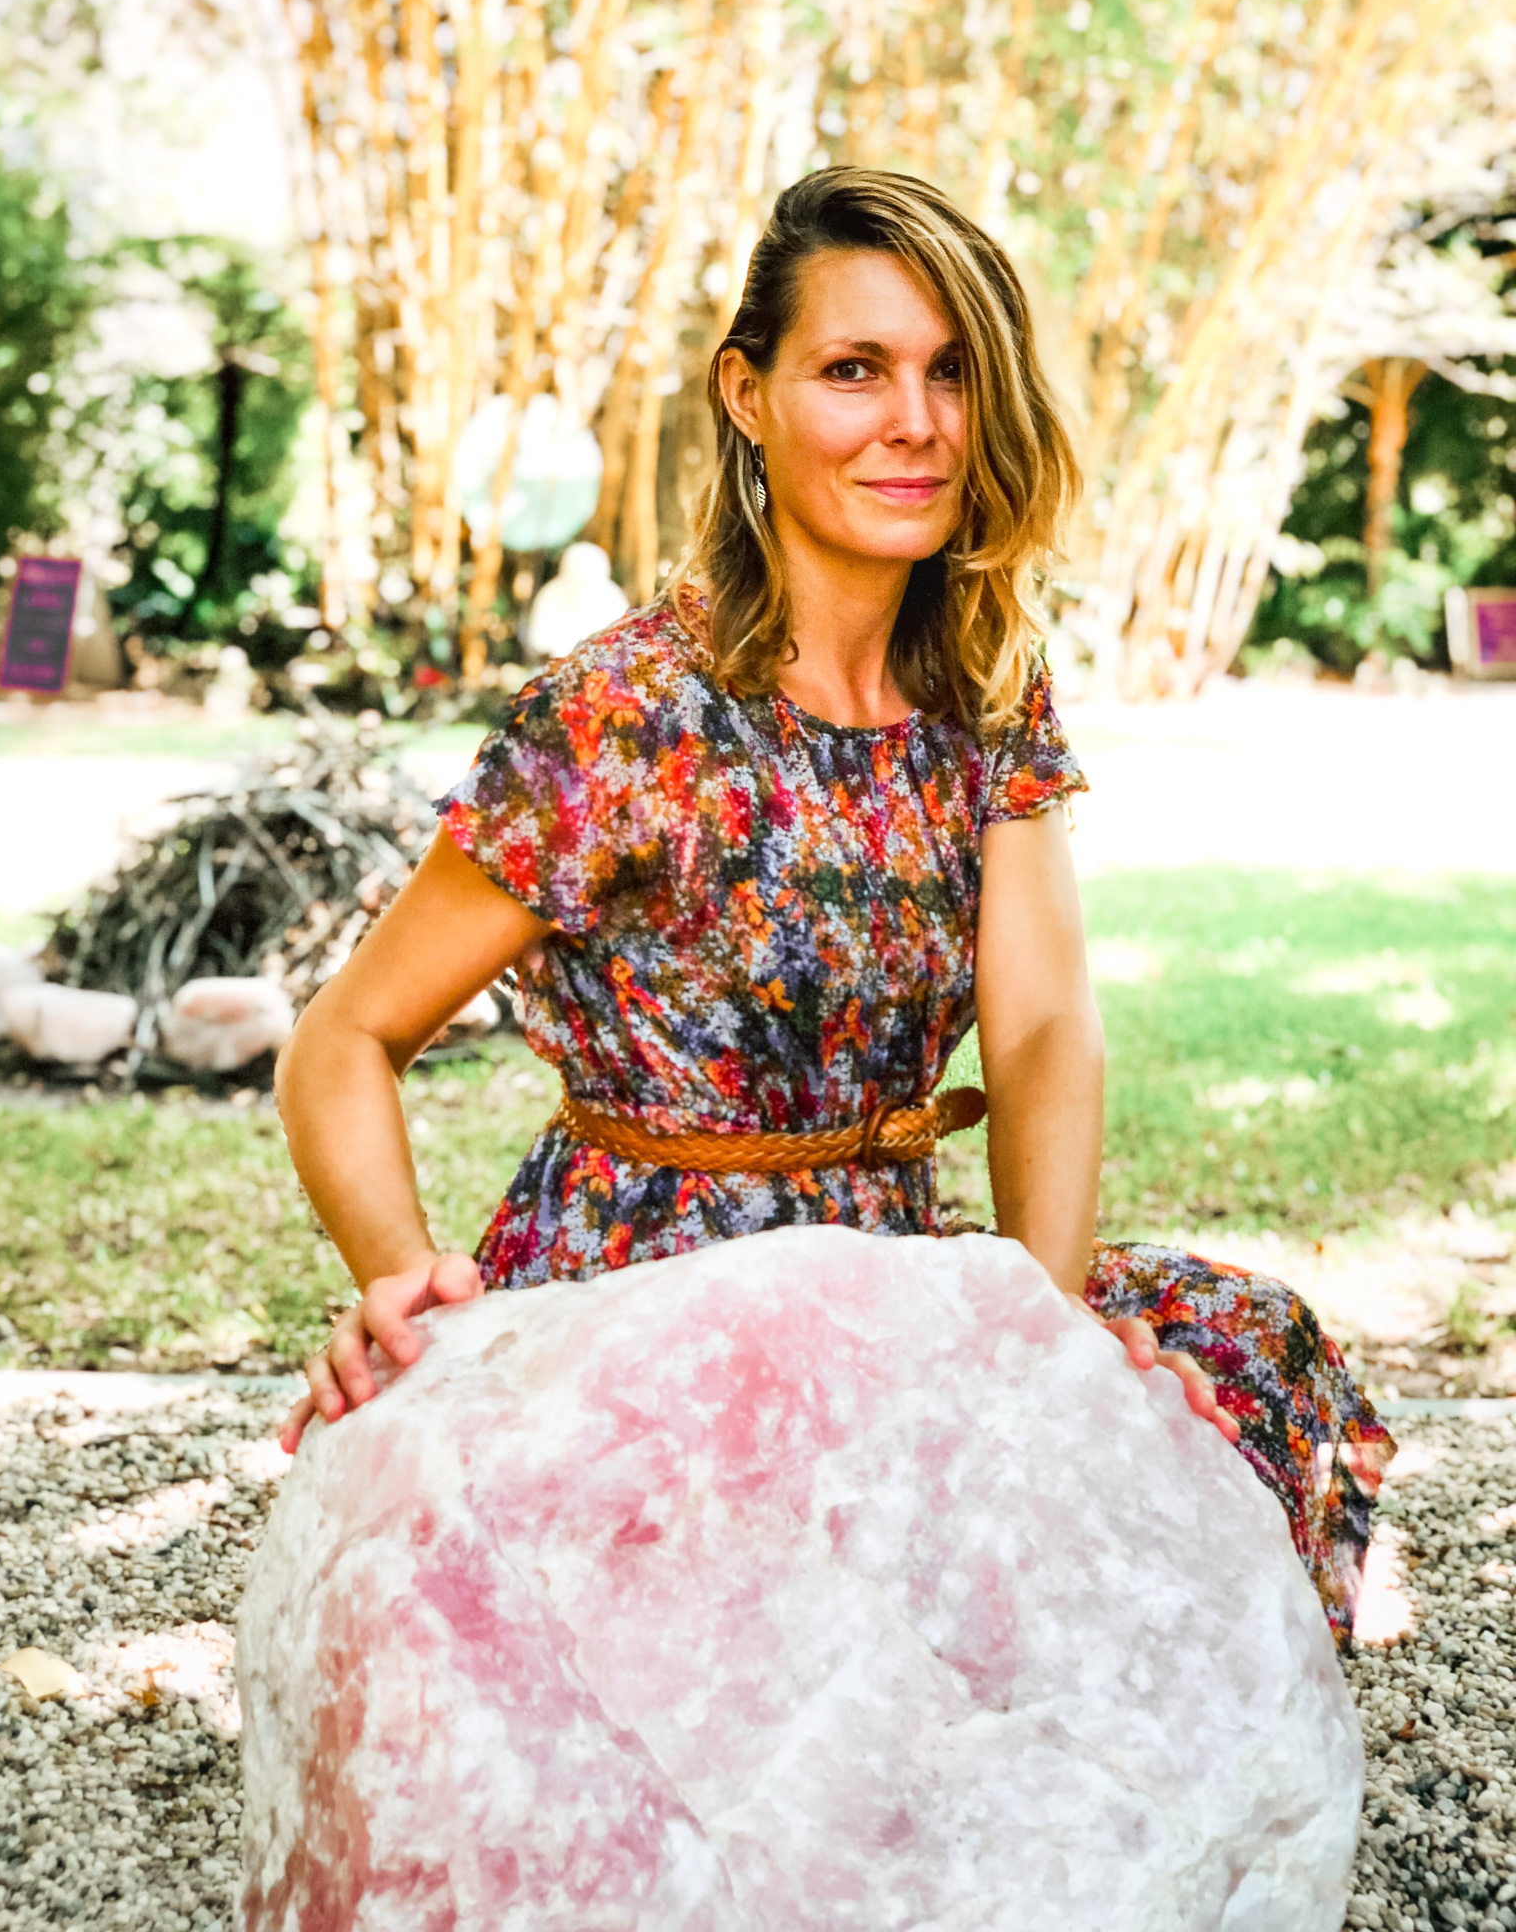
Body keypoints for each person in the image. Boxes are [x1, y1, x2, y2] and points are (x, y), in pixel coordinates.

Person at [274, 167, 1391, 1646]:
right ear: (750, 395)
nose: (914, 422)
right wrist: (408, 1286)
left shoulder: (987, 686)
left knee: (1240, 1363)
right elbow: (342, 1037)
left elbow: (1045, 1024)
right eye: (853, 370)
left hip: (892, 1275)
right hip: (649, 1304)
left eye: (950, 372)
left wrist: (1035, 1339)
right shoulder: (621, 717)